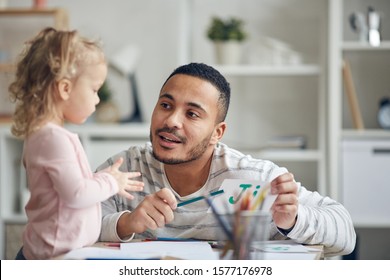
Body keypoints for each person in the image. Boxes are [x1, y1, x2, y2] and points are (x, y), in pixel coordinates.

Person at [97, 62, 356, 257]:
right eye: (166, 105)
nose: (171, 121)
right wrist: (127, 223)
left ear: (217, 133)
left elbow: (345, 232)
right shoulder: (126, 168)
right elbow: (70, 226)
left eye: (192, 114)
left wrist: (294, 219)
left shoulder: (252, 177)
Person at [9, 27, 144, 259]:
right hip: (51, 258)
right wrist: (110, 181)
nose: (98, 99)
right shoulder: (52, 139)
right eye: (94, 90)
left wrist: (99, 180)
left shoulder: (48, 136)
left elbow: (66, 191)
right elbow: (77, 194)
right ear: (65, 88)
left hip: (62, 253)